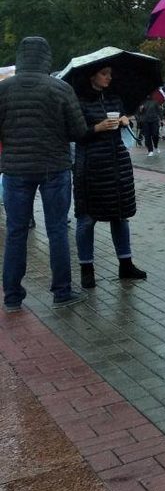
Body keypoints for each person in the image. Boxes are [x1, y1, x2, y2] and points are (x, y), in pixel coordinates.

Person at [0, 36, 89, 310]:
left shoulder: (3, 90)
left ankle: (12, 296)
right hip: (54, 168)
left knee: (16, 232)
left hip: (15, 170)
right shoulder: (60, 88)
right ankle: (62, 292)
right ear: (46, 58)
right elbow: (79, 131)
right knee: (57, 230)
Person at [72, 65, 146, 288]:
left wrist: (125, 120)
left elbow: (123, 122)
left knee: (120, 214)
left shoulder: (114, 98)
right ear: (92, 75)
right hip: (91, 166)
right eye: (104, 74)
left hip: (117, 163)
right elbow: (75, 133)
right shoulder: (79, 101)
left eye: (110, 74)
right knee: (87, 219)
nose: (109, 78)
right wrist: (98, 128)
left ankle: (126, 264)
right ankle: (87, 269)